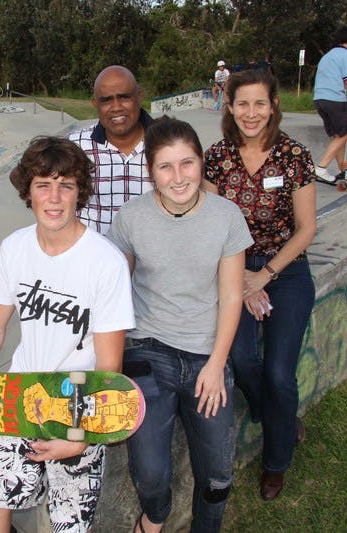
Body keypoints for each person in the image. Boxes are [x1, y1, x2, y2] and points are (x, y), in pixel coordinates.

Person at [0, 136, 135, 533]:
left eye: (67, 185)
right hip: (18, 393)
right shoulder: (15, 248)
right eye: (44, 185)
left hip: (78, 402)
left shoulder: (105, 262)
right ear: (29, 192)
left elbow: (109, 365)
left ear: (81, 193)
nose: (55, 198)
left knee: (68, 525)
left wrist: (82, 437)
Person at [108, 117, 252, 533]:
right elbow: (115, 291)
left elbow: (230, 296)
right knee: (150, 474)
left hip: (207, 352)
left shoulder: (226, 216)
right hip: (147, 351)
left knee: (218, 475)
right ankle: (154, 518)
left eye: (187, 163)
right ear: (150, 171)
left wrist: (216, 365)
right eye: (165, 167)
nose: (178, 177)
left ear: (201, 162)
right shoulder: (131, 217)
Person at [204, 69, 318, 502]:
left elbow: (306, 230)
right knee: (240, 356)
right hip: (233, 269)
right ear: (229, 106)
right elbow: (211, 228)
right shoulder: (217, 156)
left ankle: (276, 460)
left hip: (285, 270)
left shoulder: (294, 155)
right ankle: (279, 417)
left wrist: (265, 276)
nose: (251, 113)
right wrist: (245, 285)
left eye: (259, 103)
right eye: (242, 103)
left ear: (273, 105)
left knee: (278, 372)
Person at [69, 65, 154, 234]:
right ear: (95, 104)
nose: (116, 107)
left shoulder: (166, 142)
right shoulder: (76, 146)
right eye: (106, 100)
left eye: (124, 97)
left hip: (151, 257)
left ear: (139, 97)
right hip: (94, 256)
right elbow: (26, 177)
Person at [312, 26, 347, 182]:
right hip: (334, 98)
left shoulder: (328, 56)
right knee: (344, 132)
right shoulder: (346, 55)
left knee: (337, 135)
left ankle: (343, 170)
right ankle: (321, 168)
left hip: (319, 99)